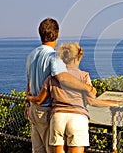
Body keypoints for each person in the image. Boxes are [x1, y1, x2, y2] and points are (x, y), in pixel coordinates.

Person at [27, 42, 118, 153]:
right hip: (78, 118)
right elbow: (92, 101)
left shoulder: (51, 78)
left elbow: (40, 99)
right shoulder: (84, 76)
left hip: (57, 118)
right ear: (78, 58)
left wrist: (29, 98)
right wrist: (113, 103)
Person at [26, 18, 96, 153]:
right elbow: (63, 78)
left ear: (40, 33)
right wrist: (87, 87)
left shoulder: (31, 55)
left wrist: (27, 103)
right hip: (46, 110)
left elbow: (29, 82)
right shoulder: (53, 56)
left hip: (33, 109)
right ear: (57, 35)